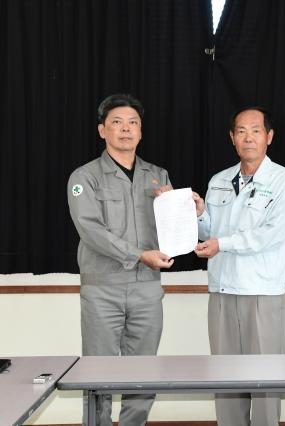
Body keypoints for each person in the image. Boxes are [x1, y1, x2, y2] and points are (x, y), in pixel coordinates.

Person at [67, 93, 174, 425]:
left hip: (147, 291)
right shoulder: (84, 178)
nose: (126, 129)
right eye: (117, 122)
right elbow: (91, 230)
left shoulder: (158, 176)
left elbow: (173, 227)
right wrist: (139, 255)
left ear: (141, 131)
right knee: (98, 374)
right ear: (103, 130)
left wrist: (190, 210)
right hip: (103, 290)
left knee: (143, 375)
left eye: (133, 123)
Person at [193, 107, 285, 426]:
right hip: (222, 292)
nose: (248, 137)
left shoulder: (284, 180)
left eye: (255, 131)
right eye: (241, 131)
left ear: (269, 136)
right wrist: (198, 214)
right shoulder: (219, 180)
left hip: (262, 292)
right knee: (225, 381)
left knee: (266, 381)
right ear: (232, 137)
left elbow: (271, 234)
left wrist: (221, 243)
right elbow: (208, 233)